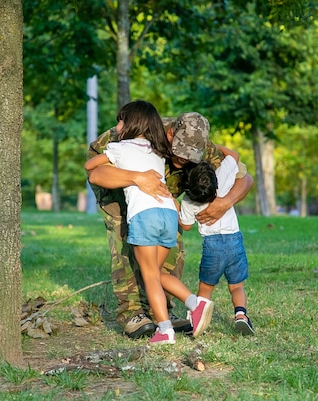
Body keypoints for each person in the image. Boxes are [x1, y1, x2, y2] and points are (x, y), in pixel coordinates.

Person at [87, 110, 254, 339]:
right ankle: (133, 313)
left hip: (162, 201)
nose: (184, 159)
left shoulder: (201, 146)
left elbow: (245, 178)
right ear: (169, 133)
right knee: (128, 240)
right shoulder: (141, 133)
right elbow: (95, 171)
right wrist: (136, 177)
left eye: (190, 156)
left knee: (171, 245)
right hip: (119, 186)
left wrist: (225, 203)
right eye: (180, 152)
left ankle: (162, 313)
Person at [178, 157, 255, 335]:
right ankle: (241, 315)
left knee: (206, 288)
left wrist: (177, 207)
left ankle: (197, 322)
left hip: (212, 247)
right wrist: (215, 146)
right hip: (235, 241)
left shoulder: (189, 200)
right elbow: (234, 156)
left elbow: (187, 226)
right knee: (236, 286)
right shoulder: (221, 179)